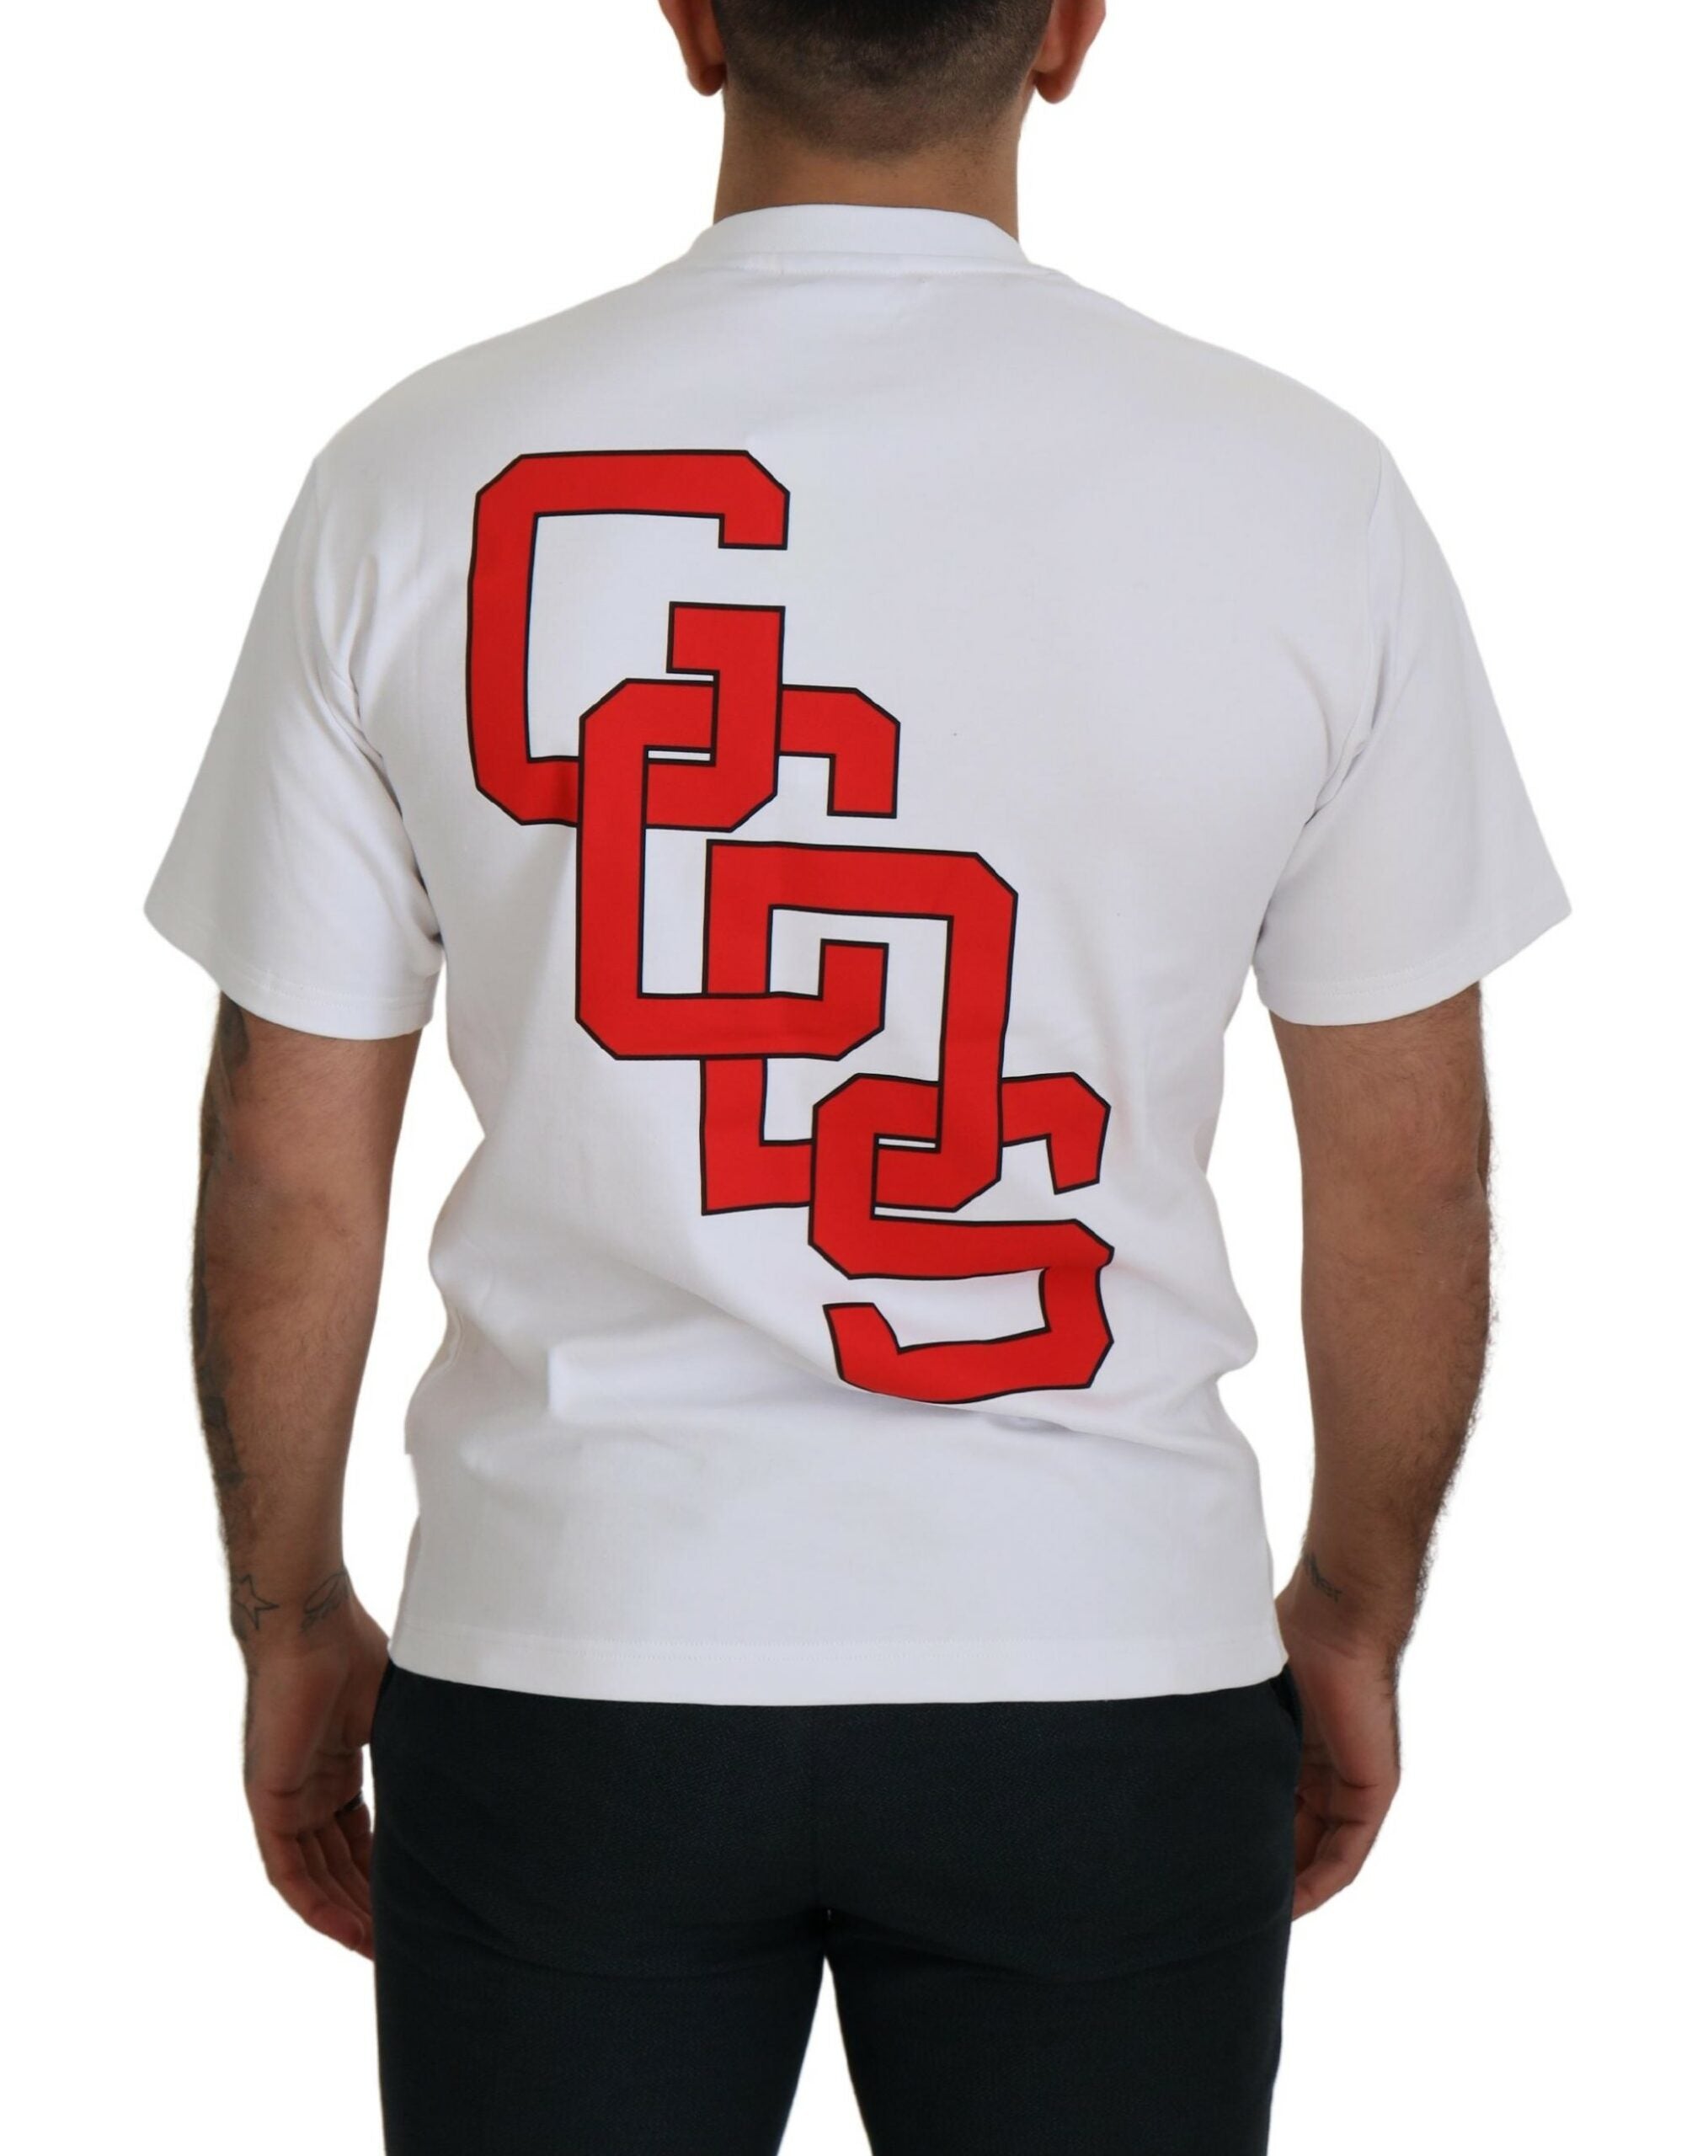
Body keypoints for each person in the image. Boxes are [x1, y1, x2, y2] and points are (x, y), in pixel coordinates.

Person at [145, 2, 1569, 2149]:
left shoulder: (413, 476)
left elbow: (285, 1162)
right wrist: (1354, 1610)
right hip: (1098, 1659)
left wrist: (286, 1613)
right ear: (1070, 30)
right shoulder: (1303, 496)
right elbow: (1411, 1175)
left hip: (572, 1655)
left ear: (693, 20)